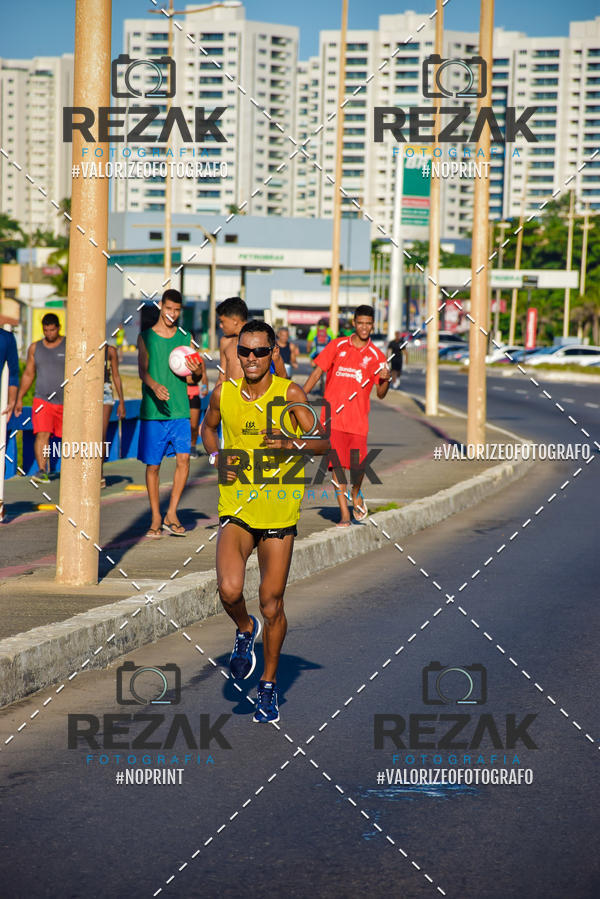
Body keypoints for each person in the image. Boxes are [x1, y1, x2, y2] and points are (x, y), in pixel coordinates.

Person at [201, 320, 329, 723]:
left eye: (260, 351)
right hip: (236, 506)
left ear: (273, 352)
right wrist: (215, 456)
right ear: (237, 352)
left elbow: (323, 441)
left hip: (277, 510)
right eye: (245, 351)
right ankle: (243, 629)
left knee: (272, 604)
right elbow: (207, 429)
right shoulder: (223, 393)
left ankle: (269, 686)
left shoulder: (289, 393)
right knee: (228, 588)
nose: (251, 359)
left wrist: (290, 442)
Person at [303, 305, 391, 527]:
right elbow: (317, 372)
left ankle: (356, 490)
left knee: (358, 467)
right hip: (332, 419)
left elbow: (380, 394)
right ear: (354, 323)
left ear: (373, 325)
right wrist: (300, 397)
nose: (364, 327)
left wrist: (386, 379)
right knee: (337, 467)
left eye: (368, 323)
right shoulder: (338, 345)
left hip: (358, 421)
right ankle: (344, 514)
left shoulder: (376, 356)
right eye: (360, 323)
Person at [137, 289, 203, 537]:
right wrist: (154, 386)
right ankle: (155, 515)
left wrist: (196, 371)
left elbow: (197, 375)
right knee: (153, 467)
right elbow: (143, 371)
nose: (172, 314)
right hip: (153, 412)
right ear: (161, 306)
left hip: (179, 410)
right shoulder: (145, 337)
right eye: (169, 309)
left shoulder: (187, 338)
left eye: (177, 310)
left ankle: (171, 512)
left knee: (183, 460)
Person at [15, 313, 66, 483]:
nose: (49, 333)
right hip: (43, 399)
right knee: (42, 434)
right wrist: (19, 398)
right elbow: (29, 374)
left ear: (58, 328)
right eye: (46, 330)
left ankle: (70, 470)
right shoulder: (35, 348)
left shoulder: (69, 345)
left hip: (66, 402)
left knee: (68, 437)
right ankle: (42, 470)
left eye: (52, 330)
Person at [215, 297, 287, 384]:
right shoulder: (225, 342)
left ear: (234, 321)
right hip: (232, 396)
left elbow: (282, 377)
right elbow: (222, 377)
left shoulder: (262, 341)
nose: (221, 326)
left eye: (222, 321)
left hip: (258, 396)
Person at [0, 326, 20, 523]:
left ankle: (0, 499)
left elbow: (14, 372)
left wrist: (12, 400)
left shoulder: (6, 338)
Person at [101, 344, 126, 488]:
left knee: (101, 435)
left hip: (105, 391)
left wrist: (121, 401)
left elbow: (116, 374)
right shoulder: (83, 346)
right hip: (86, 390)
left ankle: (99, 473)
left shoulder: (110, 350)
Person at [187, 360, 208, 456]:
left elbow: (203, 375)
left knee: (194, 425)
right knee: (180, 423)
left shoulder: (199, 359)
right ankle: (178, 448)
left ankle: (192, 447)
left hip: (194, 393)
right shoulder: (178, 356)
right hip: (181, 394)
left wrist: (204, 388)